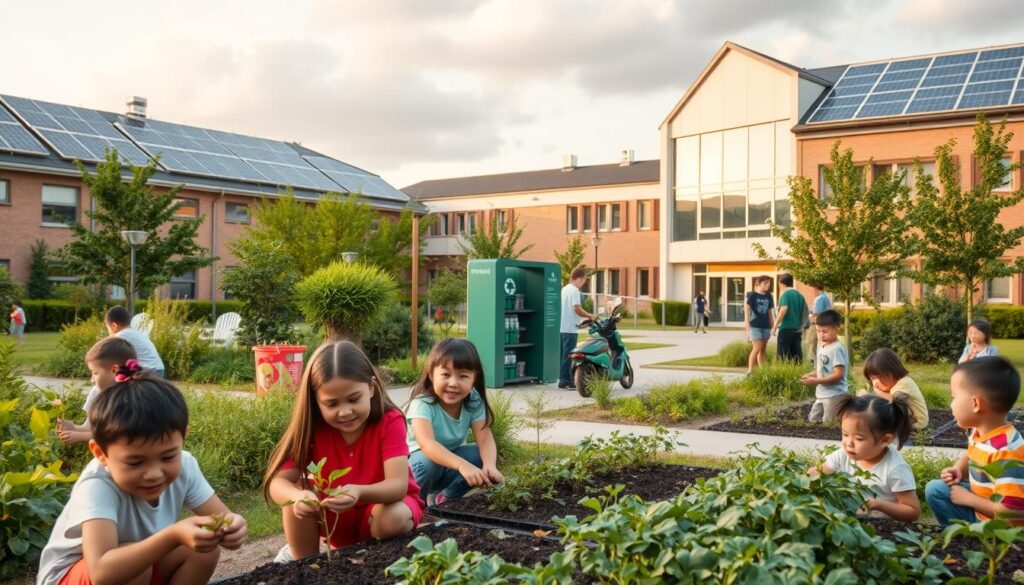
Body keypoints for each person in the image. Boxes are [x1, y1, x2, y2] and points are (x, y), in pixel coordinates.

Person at [36, 373, 248, 585]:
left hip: (133, 572)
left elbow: (222, 517)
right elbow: (102, 572)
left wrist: (232, 527)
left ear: (183, 437)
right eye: (135, 462)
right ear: (101, 453)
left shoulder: (186, 465)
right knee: (132, 566)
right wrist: (173, 535)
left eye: (167, 456)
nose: (154, 473)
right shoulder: (97, 484)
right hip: (72, 576)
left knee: (202, 551)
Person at [264, 341, 424, 562]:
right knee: (294, 501)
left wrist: (358, 492)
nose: (345, 411)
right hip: (336, 517)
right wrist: (298, 496)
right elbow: (277, 483)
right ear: (316, 401)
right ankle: (303, 564)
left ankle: (380, 560)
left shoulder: (389, 421)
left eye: (353, 399)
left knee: (393, 517)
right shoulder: (312, 429)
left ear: (371, 388)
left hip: (381, 511)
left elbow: (398, 486)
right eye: (331, 404)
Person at [925, 356, 1024, 526]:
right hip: (982, 507)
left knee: (942, 492)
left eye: (954, 397)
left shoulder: (1006, 451)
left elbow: (1014, 512)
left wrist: (969, 499)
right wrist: (958, 469)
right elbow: (970, 455)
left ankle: (977, 544)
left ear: (976, 403)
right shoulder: (980, 432)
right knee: (935, 490)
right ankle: (964, 538)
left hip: (1001, 529)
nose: (951, 405)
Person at [406, 338, 503, 506]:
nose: (453, 383)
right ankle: (414, 506)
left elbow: (485, 438)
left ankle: (444, 499)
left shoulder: (473, 400)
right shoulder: (422, 404)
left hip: (449, 465)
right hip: (418, 468)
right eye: (445, 375)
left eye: (463, 376)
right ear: (431, 374)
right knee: (427, 463)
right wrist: (462, 465)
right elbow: (427, 444)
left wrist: (489, 465)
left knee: (478, 452)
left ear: (474, 378)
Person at [811, 393, 920, 521]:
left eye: (859, 438)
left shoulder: (895, 469)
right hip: (847, 521)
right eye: (845, 434)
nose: (849, 443)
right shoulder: (843, 454)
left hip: (882, 528)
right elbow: (816, 473)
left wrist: (879, 505)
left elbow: (912, 512)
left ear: (885, 440)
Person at [56, 337, 138, 446]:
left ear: (115, 371)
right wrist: (74, 427)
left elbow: (119, 434)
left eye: (95, 373)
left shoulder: (131, 397)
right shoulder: (96, 393)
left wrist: (80, 436)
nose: (91, 380)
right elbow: (89, 427)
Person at [860, 348, 928, 432]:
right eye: (872, 379)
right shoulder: (894, 384)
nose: (875, 383)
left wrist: (870, 396)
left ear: (890, 373)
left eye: (876, 378)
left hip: (916, 425)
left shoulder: (904, 383)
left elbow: (896, 404)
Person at [801, 309, 849, 423]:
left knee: (829, 423)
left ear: (836, 329)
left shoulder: (837, 348)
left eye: (825, 331)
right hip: (821, 393)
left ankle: (848, 407)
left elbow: (838, 375)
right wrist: (812, 375)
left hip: (835, 394)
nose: (821, 335)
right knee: (813, 420)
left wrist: (817, 381)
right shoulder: (822, 346)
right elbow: (822, 369)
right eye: (818, 331)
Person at [559, 267, 597, 390]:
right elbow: (576, 308)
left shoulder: (564, 289)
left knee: (563, 355)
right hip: (570, 329)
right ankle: (565, 381)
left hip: (562, 327)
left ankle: (563, 379)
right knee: (568, 356)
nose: (583, 283)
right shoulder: (574, 290)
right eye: (584, 281)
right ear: (580, 279)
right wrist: (591, 316)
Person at [104, 306, 165, 378]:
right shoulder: (135, 332)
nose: (108, 332)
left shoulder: (121, 335)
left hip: (148, 371)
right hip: (159, 368)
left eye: (107, 327)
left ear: (114, 325)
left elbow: (102, 348)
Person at [772, 273, 808, 362]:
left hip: (786, 328)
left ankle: (784, 373)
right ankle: (797, 373)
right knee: (796, 355)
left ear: (781, 284)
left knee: (782, 355)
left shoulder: (785, 294)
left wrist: (774, 326)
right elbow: (806, 312)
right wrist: (803, 326)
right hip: (797, 329)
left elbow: (784, 309)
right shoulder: (800, 295)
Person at [744, 275, 775, 376]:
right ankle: (750, 370)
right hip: (755, 326)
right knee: (757, 348)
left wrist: (773, 326)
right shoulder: (752, 296)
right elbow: (746, 312)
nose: (767, 285)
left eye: (769, 283)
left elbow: (770, 312)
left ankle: (763, 371)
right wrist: (747, 327)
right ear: (758, 283)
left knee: (763, 350)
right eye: (765, 283)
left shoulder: (769, 296)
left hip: (766, 326)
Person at [808, 284, 831, 364]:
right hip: (825, 323)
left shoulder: (819, 298)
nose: (812, 291)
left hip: (817, 324)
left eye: (812, 289)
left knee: (811, 343)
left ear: (816, 287)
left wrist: (810, 316)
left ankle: (814, 363)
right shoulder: (825, 296)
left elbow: (816, 314)